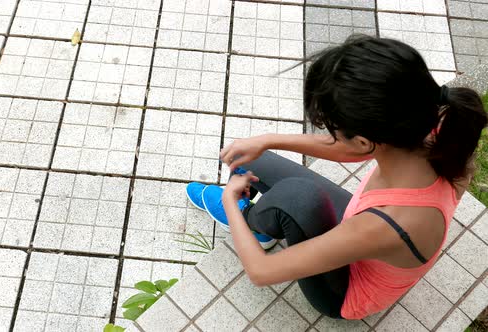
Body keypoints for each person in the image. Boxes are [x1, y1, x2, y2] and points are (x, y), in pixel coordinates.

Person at [185, 35, 488, 320]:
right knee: (256, 158)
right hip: (366, 227)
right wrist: (267, 140)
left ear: (363, 140)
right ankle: (262, 224)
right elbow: (353, 150)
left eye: (333, 127)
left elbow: (261, 272)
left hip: (342, 293)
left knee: (297, 197)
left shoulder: (386, 224)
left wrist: (228, 197)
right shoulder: (433, 129)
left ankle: (250, 219)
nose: (330, 133)